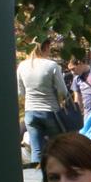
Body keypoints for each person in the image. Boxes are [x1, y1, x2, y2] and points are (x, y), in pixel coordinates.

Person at [18, 35, 70, 167]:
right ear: (46, 47)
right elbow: (63, 91)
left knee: (36, 150)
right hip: (50, 111)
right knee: (57, 147)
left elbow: (21, 92)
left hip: (30, 112)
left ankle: (38, 178)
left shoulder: (22, 66)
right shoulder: (52, 65)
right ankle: (55, 174)